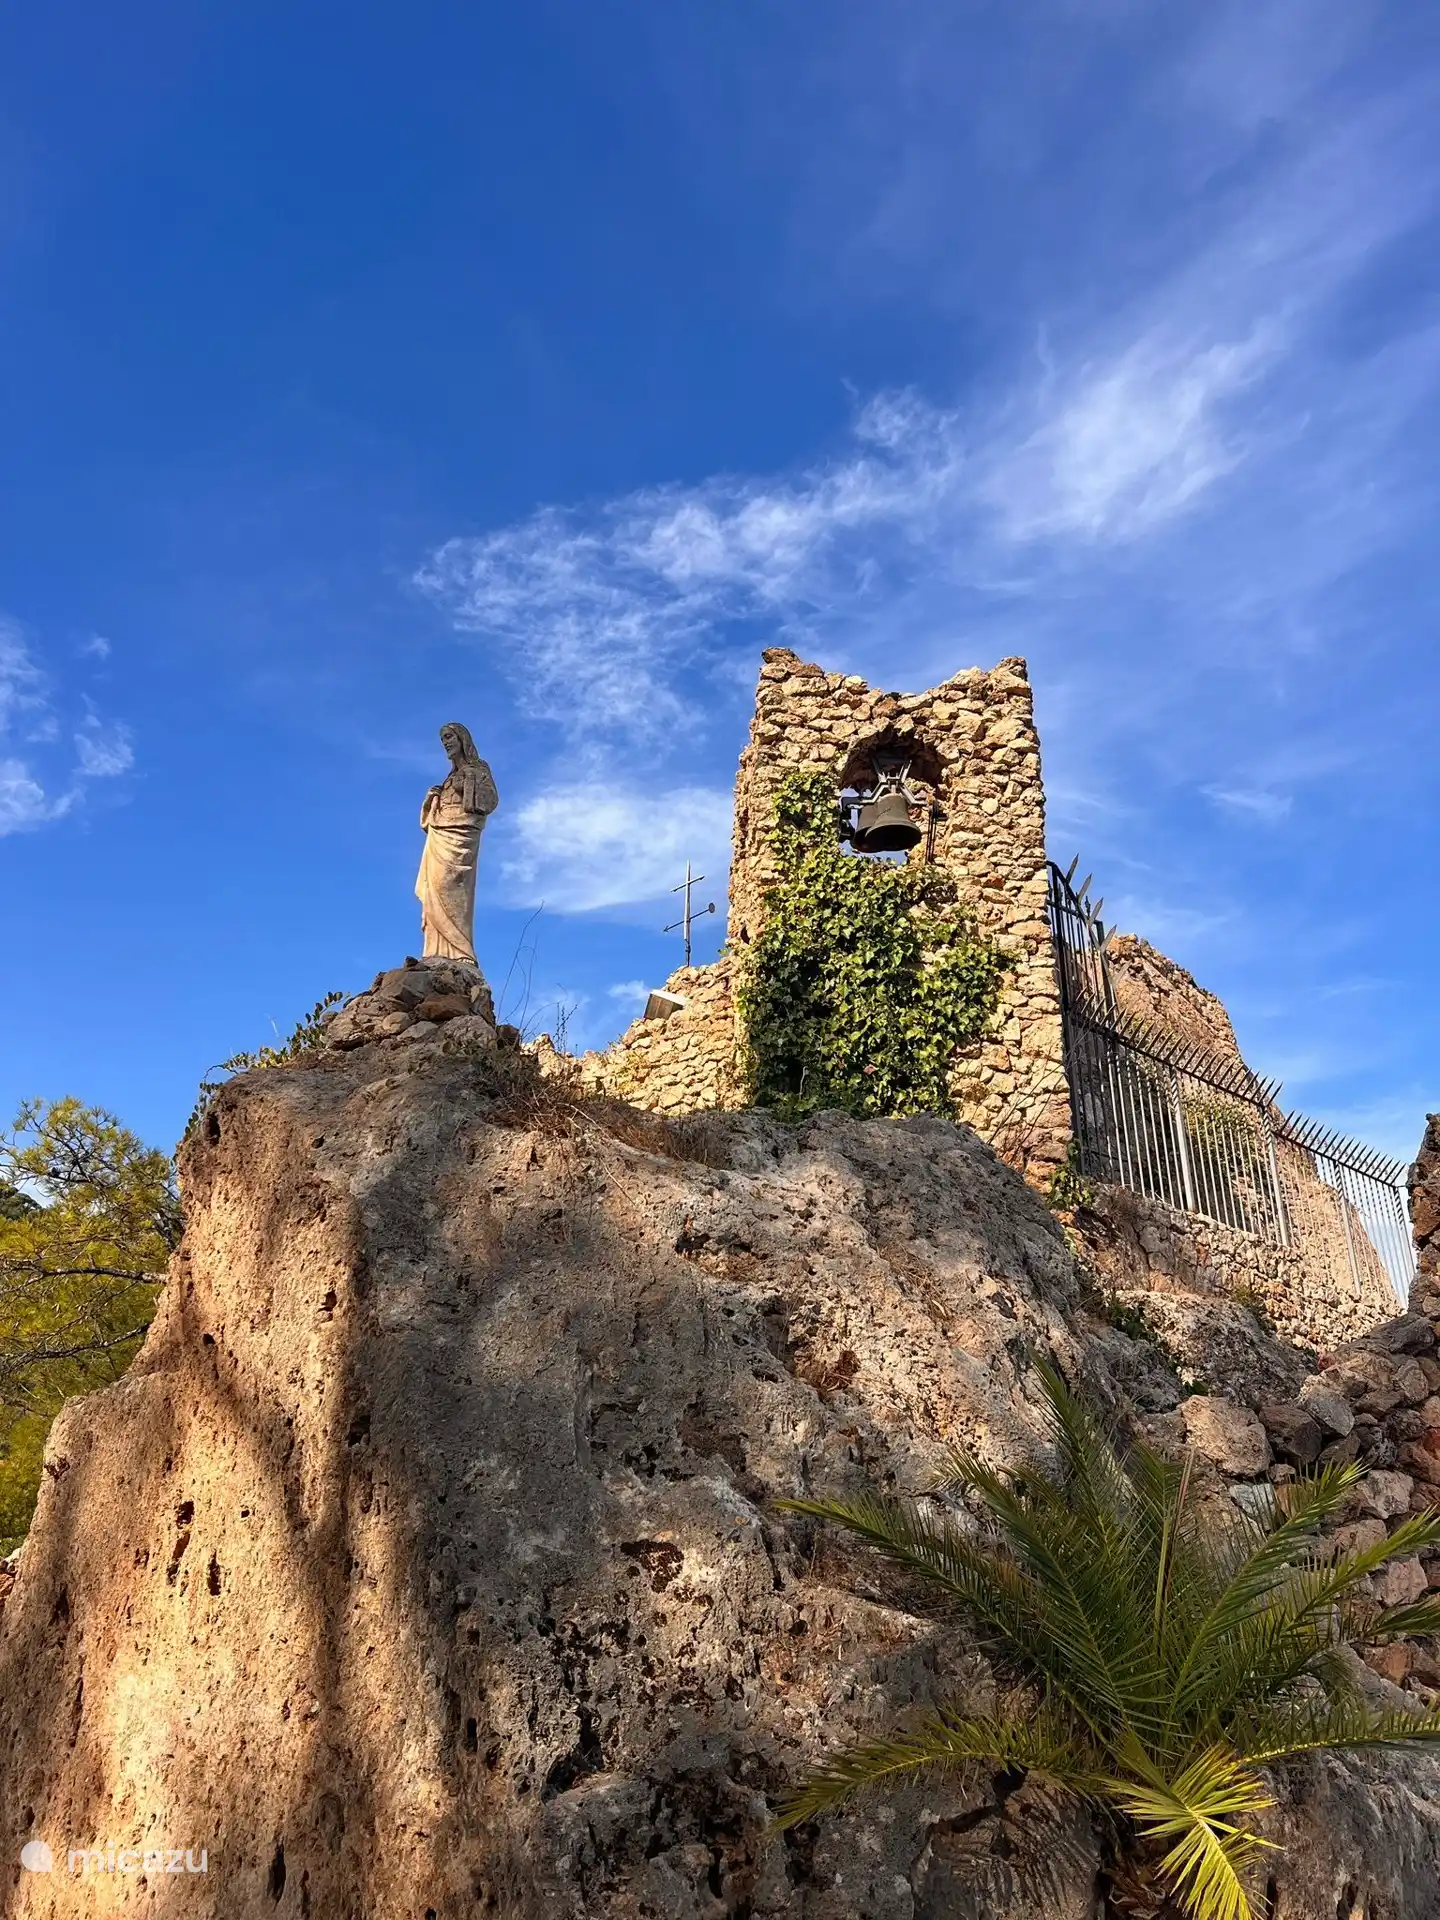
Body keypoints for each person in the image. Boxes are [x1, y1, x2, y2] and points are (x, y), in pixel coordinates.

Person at [415, 722, 498, 964]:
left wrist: (467, 784)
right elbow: (429, 818)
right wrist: (431, 800)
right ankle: (435, 950)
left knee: (454, 889)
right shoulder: (448, 779)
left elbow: (491, 801)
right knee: (434, 888)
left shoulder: (478, 769)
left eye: (449, 737)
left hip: (461, 836)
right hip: (439, 834)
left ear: (463, 739)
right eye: (443, 739)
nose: (446, 743)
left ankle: (461, 951)